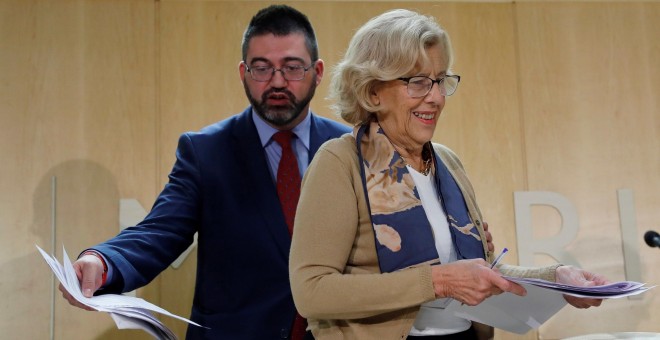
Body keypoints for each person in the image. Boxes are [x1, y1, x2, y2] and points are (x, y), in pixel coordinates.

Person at [289, 9, 607, 340]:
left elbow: (474, 273)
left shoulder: (447, 162)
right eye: (418, 82)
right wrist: (439, 281)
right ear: (372, 91)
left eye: (441, 81)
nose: (437, 97)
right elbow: (311, 291)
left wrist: (555, 279)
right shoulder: (339, 163)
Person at [59, 5, 351, 339]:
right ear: (243, 72)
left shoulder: (350, 148)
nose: (278, 82)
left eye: (292, 67)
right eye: (262, 68)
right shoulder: (206, 152)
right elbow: (160, 231)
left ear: (318, 71)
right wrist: (103, 260)